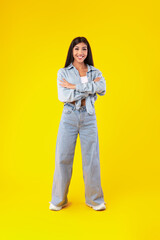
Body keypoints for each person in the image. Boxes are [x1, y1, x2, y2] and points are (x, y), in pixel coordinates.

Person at [49, 36, 107, 211]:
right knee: (63, 157)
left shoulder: (95, 72)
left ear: (87, 52)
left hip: (89, 117)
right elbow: (63, 97)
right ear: (71, 52)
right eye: (77, 49)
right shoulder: (63, 72)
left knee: (91, 160)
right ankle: (58, 200)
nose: (80, 52)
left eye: (84, 49)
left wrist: (74, 87)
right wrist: (90, 88)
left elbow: (102, 88)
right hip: (69, 117)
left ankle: (95, 200)